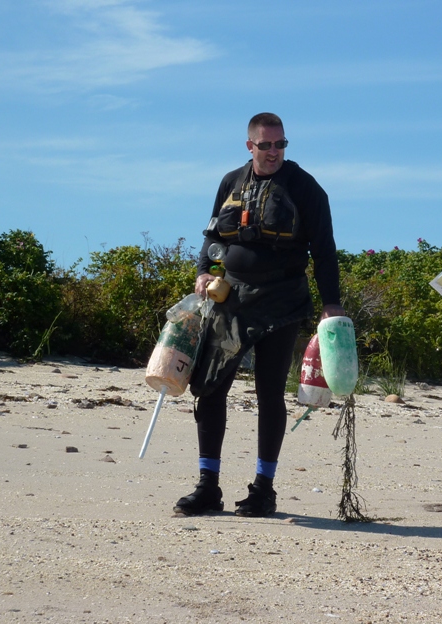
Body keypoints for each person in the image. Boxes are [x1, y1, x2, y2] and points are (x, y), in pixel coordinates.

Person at [174, 113, 345, 517]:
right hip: (230, 297)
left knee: (269, 392)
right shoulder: (231, 182)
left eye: (281, 145)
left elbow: (324, 249)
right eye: (265, 145)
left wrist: (332, 303)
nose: (274, 153)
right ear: (249, 146)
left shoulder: (306, 188)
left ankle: (263, 490)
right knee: (210, 387)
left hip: (282, 298)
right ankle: (207, 486)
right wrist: (203, 271)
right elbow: (214, 236)